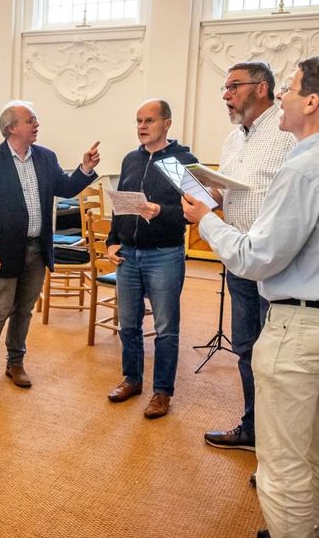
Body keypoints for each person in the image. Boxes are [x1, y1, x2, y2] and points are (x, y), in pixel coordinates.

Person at [182, 56, 319, 538]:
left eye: (290, 90)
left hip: (298, 327)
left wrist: (206, 221)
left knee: (282, 463)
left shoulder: (303, 170)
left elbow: (255, 258)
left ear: (312, 102)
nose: (283, 98)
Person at [0, 100, 100, 391]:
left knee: (24, 310)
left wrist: (85, 168)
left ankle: (15, 363)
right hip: (2, 251)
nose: (36, 124)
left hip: (37, 249)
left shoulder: (45, 157)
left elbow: (65, 188)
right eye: (31, 120)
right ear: (12, 127)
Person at [203, 62, 295, 449]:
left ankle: (279, 441)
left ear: (262, 88)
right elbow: (237, 193)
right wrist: (207, 197)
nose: (226, 95)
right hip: (239, 260)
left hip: (276, 265)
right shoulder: (232, 140)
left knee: (275, 358)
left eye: (233, 87)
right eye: (224, 88)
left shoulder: (288, 135)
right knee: (247, 348)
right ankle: (253, 428)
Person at [104, 99, 197, 419]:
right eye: (138, 121)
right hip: (128, 254)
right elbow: (122, 205)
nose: (142, 127)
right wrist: (112, 240)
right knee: (128, 325)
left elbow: (193, 212)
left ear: (167, 123)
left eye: (149, 121)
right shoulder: (131, 159)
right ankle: (132, 379)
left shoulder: (180, 161)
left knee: (166, 328)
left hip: (164, 255)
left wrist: (161, 212)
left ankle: (162, 392)